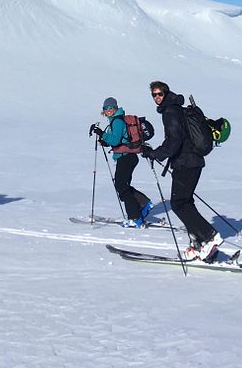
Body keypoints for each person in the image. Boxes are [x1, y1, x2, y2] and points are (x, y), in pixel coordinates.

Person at [141, 80, 222, 261]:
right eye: (154, 95)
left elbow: (174, 140)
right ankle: (200, 244)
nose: (157, 98)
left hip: (186, 162)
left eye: (159, 94)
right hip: (193, 162)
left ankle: (209, 236)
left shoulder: (170, 111)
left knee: (178, 204)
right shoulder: (177, 108)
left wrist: (154, 154)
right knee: (185, 202)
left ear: (166, 93)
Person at [91, 97, 154, 227]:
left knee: (122, 187)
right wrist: (104, 139)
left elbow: (115, 141)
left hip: (126, 157)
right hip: (126, 157)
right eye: (106, 108)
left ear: (115, 108)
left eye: (110, 108)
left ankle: (135, 217)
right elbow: (116, 140)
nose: (108, 111)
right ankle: (143, 204)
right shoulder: (115, 120)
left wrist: (102, 134)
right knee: (122, 186)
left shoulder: (117, 121)